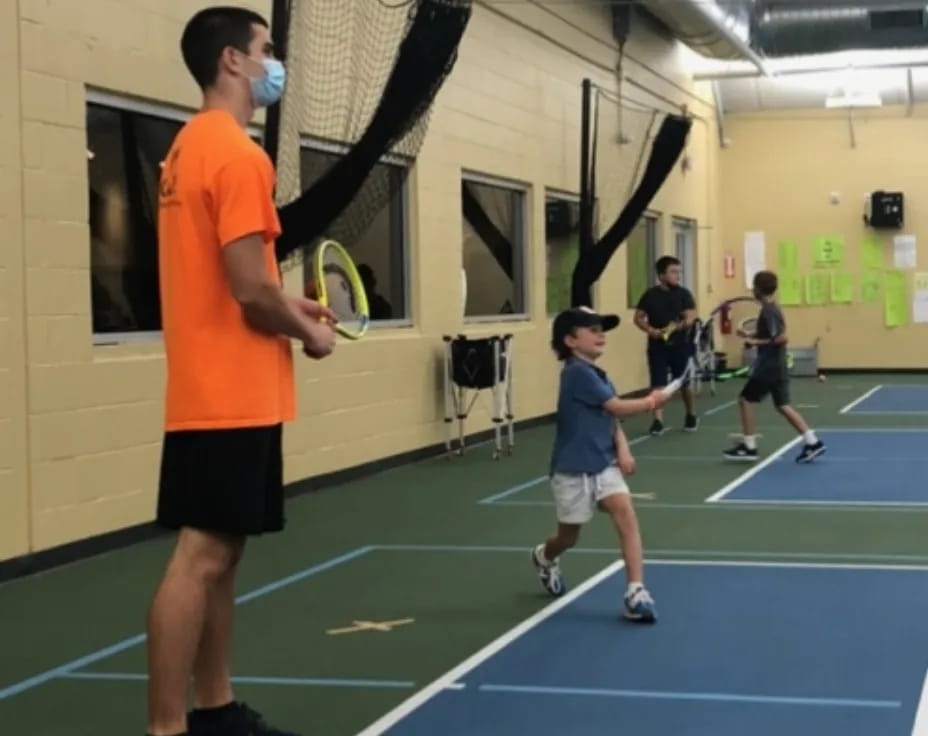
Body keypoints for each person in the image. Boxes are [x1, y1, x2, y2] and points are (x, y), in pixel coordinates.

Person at [147, 7, 337, 736]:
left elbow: (236, 276)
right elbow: (248, 288)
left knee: (223, 553)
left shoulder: (187, 148)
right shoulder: (236, 154)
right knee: (201, 556)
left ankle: (215, 709)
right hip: (227, 390)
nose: (274, 61)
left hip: (218, 387)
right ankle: (168, 728)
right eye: (267, 50)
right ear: (232, 61)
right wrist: (305, 333)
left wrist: (289, 304)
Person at [531, 306, 670, 623]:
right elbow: (616, 405)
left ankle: (636, 591)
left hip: (603, 465)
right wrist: (652, 402)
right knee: (568, 538)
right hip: (572, 470)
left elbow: (610, 416)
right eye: (591, 329)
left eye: (601, 328)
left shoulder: (597, 374)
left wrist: (622, 449)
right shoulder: (576, 373)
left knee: (625, 512)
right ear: (570, 340)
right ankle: (544, 556)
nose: (600, 334)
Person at [723, 271, 826, 463]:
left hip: (768, 366)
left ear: (758, 289)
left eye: (754, 286)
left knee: (745, 400)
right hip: (777, 365)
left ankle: (749, 446)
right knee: (782, 405)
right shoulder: (771, 309)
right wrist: (749, 333)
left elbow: (780, 338)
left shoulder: (769, 311)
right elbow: (771, 333)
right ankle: (813, 442)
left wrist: (754, 342)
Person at [633, 255, 698, 435]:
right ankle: (658, 421)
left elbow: (691, 316)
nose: (678, 275)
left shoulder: (684, 294)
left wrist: (679, 326)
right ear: (661, 275)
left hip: (680, 345)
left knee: (683, 383)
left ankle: (691, 415)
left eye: (678, 271)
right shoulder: (650, 295)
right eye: (673, 272)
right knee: (658, 384)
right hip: (657, 347)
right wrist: (651, 330)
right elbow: (638, 318)